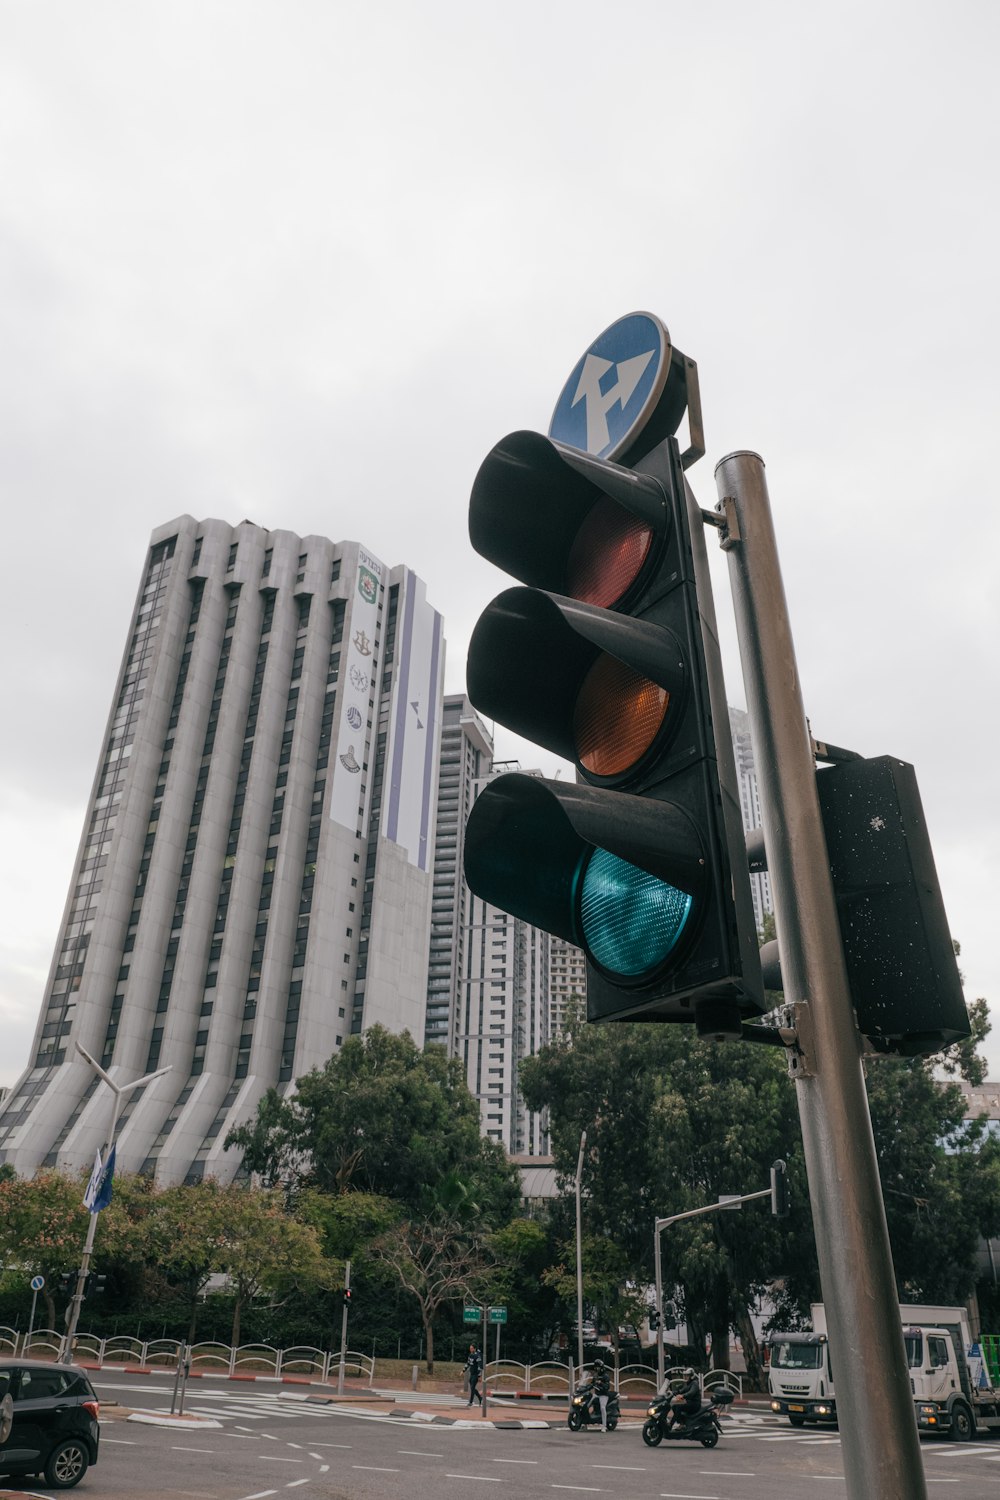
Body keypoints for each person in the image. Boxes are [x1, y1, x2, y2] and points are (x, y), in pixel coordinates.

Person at [665, 1367, 701, 1432]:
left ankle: (671, 1425)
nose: (685, 1377)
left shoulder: (694, 1383)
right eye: (685, 1375)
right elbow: (681, 1390)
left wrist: (683, 1396)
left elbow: (691, 1393)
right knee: (674, 1406)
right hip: (690, 1403)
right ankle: (682, 1423)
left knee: (678, 1407)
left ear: (691, 1376)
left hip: (695, 1404)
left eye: (687, 1375)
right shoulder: (688, 1383)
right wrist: (672, 1392)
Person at [590, 1358, 611, 1431]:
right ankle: (585, 1422)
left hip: (603, 1394)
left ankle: (604, 1426)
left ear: (601, 1367)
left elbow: (607, 1387)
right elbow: (591, 1383)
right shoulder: (595, 1375)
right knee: (588, 1402)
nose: (596, 1368)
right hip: (596, 1394)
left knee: (602, 1407)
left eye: (598, 1367)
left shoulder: (605, 1376)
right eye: (596, 1367)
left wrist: (600, 1383)